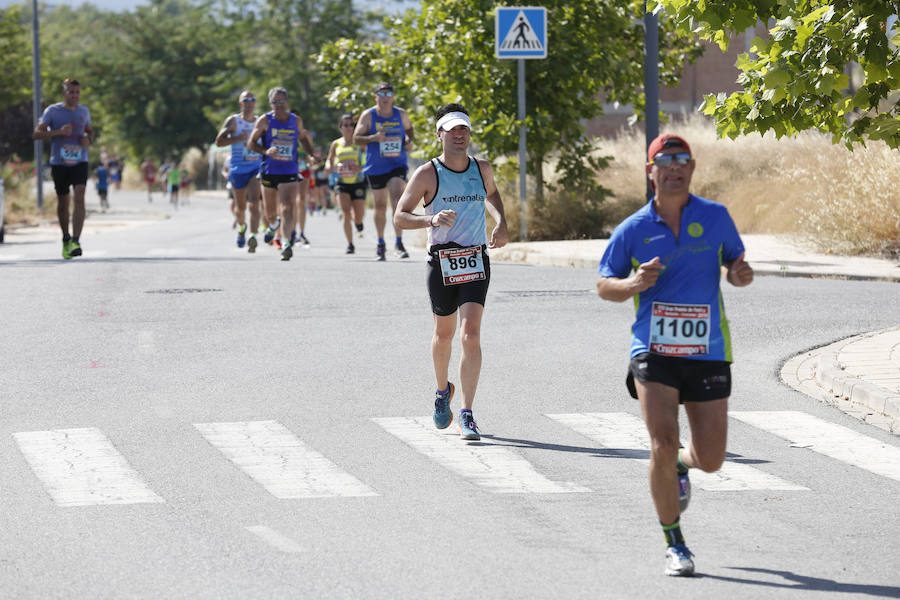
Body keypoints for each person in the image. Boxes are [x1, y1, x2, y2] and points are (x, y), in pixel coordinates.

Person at [596, 133, 754, 577]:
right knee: (662, 445)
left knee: (712, 459)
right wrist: (633, 284)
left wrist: (739, 273)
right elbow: (604, 284)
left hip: (708, 350)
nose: (673, 168)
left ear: (692, 168)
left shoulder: (715, 216)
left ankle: (683, 466)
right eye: (664, 162)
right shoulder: (633, 228)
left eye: (681, 160)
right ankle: (675, 543)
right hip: (654, 350)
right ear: (651, 173)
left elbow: (736, 264)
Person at [394, 103, 508, 441]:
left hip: (475, 258)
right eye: (452, 129)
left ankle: (467, 413)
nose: (459, 135)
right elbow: (400, 216)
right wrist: (431, 219)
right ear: (439, 135)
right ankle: (442, 390)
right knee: (443, 335)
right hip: (441, 261)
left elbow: (492, 194)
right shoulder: (427, 174)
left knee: (470, 334)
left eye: (464, 129)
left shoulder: (481, 168)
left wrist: (501, 222)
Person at [247, 87, 313, 261]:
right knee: (270, 213)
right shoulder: (265, 121)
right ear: (271, 103)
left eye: (282, 101)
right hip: (269, 171)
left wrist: (311, 154)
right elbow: (251, 143)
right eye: (275, 102)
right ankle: (273, 225)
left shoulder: (295, 120)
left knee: (287, 207)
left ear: (287, 102)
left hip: (289, 170)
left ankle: (286, 243)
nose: (279, 105)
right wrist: (266, 151)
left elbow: (303, 138)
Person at [33, 77, 94, 260]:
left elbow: (90, 131)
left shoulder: (84, 111)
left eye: (77, 92)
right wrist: (58, 132)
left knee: (80, 196)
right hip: (59, 162)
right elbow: (37, 134)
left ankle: (76, 241)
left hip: (80, 160)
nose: (75, 95)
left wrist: (88, 140)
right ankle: (66, 238)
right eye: (71, 92)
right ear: (64, 93)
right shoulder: (53, 111)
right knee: (63, 202)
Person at [353, 82, 414, 261]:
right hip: (376, 166)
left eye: (389, 94)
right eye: (382, 94)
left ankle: (399, 242)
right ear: (376, 96)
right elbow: (356, 139)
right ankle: (380, 243)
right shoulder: (368, 115)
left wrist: (409, 141)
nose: (385, 97)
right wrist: (373, 138)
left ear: (393, 97)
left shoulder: (400, 114)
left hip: (397, 163)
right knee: (380, 206)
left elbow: (409, 130)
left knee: (397, 199)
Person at [215, 90, 263, 252]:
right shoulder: (233, 121)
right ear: (240, 103)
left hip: (255, 167)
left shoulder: (260, 122)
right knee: (240, 208)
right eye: (246, 100)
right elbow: (219, 141)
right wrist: (238, 138)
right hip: (237, 169)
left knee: (254, 204)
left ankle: (253, 236)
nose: (249, 103)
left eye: (252, 100)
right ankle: (242, 228)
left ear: (255, 103)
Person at [327, 114, 367, 254]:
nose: (349, 127)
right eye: (346, 125)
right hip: (341, 182)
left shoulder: (359, 143)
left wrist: (360, 168)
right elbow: (330, 160)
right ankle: (350, 244)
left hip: (357, 182)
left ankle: (358, 223)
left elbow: (368, 160)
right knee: (345, 213)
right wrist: (330, 167)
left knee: (359, 215)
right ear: (341, 127)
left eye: (351, 125)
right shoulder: (336, 144)